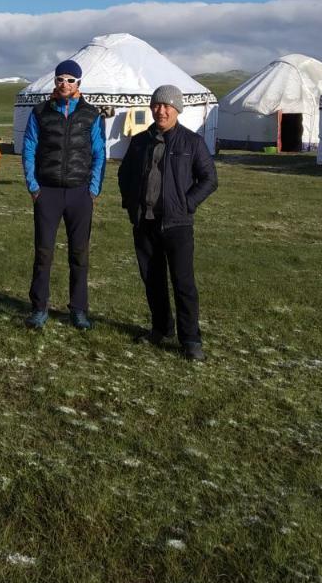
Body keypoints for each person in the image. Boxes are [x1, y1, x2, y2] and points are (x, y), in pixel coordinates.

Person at [117, 85, 218, 361]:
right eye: (157, 105)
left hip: (177, 224)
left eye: (167, 106)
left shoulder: (191, 142)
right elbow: (124, 174)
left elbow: (209, 179)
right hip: (145, 222)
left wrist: (187, 203)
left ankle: (191, 340)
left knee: (183, 283)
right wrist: (131, 204)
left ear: (177, 110)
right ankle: (161, 328)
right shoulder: (139, 142)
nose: (161, 110)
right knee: (152, 280)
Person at [21, 58, 105, 330]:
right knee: (43, 252)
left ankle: (78, 309)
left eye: (70, 80)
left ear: (79, 83)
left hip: (79, 192)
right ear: (54, 81)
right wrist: (34, 187)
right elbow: (29, 147)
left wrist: (93, 190)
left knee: (79, 254)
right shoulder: (41, 112)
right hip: (48, 191)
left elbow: (99, 153)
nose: (65, 84)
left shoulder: (91, 114)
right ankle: (39, 307)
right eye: (60, 79)